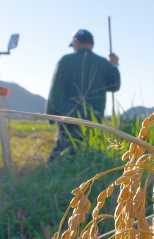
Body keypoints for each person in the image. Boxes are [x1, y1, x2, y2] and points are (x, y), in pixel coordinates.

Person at [46, 29, 120, 159]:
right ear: (92, 44)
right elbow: (115, 86)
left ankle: (58, 174)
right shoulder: (103, 63)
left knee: (63, 153)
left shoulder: (65, 61)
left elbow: (56, 90)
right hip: (94, 119)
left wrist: (51, 115)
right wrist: (114, 66)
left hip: (69, 117)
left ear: (76, 41)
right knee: (89, 154)